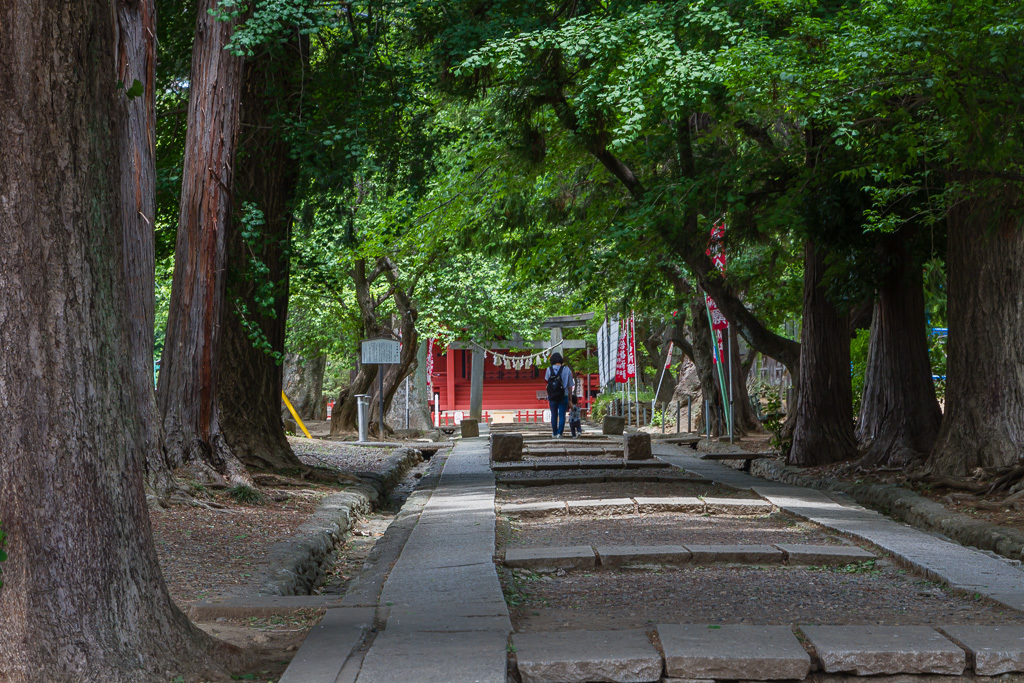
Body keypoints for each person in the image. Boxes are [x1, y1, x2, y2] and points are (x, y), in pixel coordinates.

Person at [545, 352, 573, 438]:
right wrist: (570, 399)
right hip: (563, 395)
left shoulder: (549, 369)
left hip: (552, 396)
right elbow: (570, 385)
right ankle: (560, 433)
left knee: (553, 415)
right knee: (562, 415)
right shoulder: (567, 369)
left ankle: (554, 433)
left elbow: (547, 382)